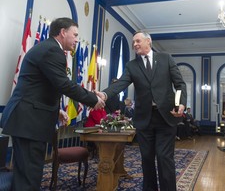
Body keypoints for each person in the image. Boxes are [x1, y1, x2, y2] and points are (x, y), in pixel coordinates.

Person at [0, 17, 105, 191]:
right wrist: (94, 100)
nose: (77, 39)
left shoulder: (47, 48)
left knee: (25, 174)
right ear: (63, 33)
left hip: (28, 118)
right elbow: (63, 84)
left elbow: (40, 86)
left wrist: (57, 111)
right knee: (29, 176)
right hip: (29, 122)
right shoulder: (52, 51)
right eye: (75, 34)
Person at [97, 31, 187, 191]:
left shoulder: (166, 58)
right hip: (144, 119)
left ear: (148, 41)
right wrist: (104, 94)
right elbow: (120, 84)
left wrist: (180, 103)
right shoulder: (132, 65)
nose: (135, 44)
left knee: (164, 157)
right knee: (146, 158)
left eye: (138, 41)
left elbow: (179, 84)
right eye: (133, 42)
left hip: (166, 117)